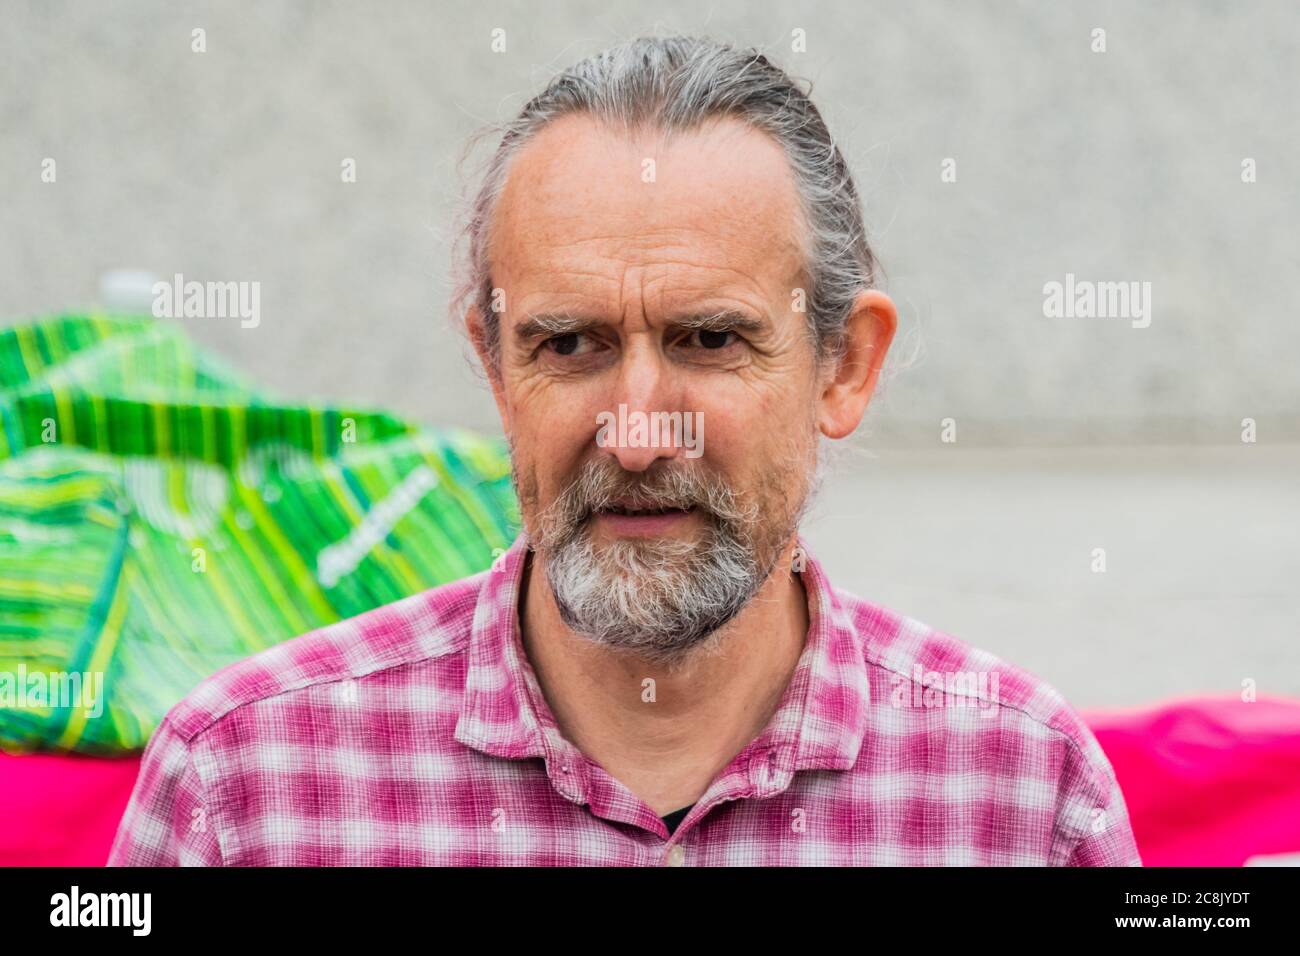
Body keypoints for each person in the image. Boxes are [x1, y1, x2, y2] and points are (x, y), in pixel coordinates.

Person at [109, 35, 1140, 866]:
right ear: (498, 368)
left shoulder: (1021, 795)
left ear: (842, 366)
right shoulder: (246, 789)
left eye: (708, 339)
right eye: (568, 344)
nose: (638, 431)